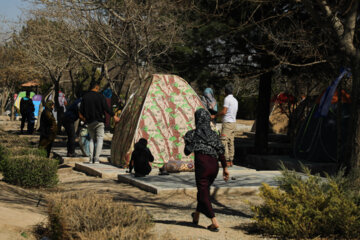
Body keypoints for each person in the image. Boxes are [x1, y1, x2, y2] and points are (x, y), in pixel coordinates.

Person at [184, 108, 229, 232]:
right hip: (214, 167)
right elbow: (221, 152)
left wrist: (192, 143)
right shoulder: (214, 135)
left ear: (197, 119)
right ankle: (196, 216)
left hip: (202, 167)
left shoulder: (192, 134)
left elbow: (187, 151)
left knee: (204, 195)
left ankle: (214, 222)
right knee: (203, 192)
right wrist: (225, 168)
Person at [79, 82, 120, 164]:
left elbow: (81, 110)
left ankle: (91, 159)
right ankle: (96, 159)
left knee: (91, 139)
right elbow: (106, 108)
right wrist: (114, 116)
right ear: (97, 87)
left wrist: (84, 119)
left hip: (90, 121)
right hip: (99, 121)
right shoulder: (100, 96)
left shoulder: (85, 97)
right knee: (100, 139)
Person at [212, 83, 238, 167]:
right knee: (231, 141)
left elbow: (224, 111)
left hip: (227, 123)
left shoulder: (227, 99)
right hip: (233, 123)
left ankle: (226, 160)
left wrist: (215, 115)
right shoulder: (235, 100)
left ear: (225, 92)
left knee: (223, 141)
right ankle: (231, 160)